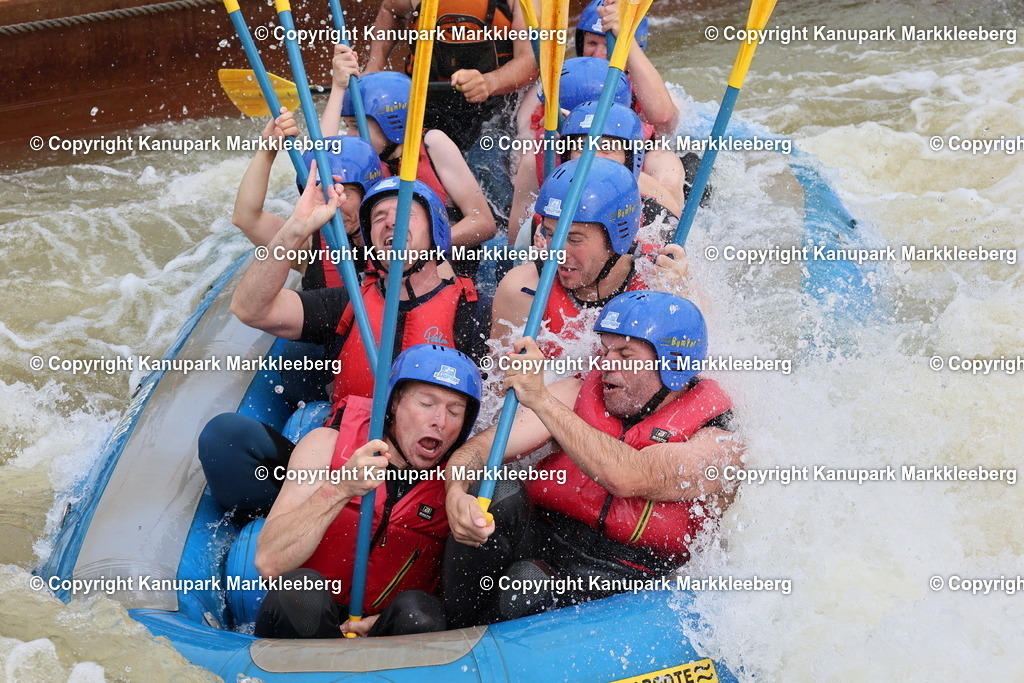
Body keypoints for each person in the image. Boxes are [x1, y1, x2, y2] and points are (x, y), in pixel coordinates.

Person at [443, 291, 743, 627]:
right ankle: (457, 629)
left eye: (625, 355)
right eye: (605, 351)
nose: (606, 365)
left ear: (673, 365)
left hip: (626, 583)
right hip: (547, 544)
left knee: (527, 585)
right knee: (495, 493)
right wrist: (455, 491)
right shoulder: (574, 394)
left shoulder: (717, 443)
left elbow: (629, 475)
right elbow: (477, 451)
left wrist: (540, 398)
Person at [199, 172, 488, 516]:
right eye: (379, 217)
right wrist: (296, 227)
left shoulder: (474, 312)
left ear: (436, 232)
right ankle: (284, 531)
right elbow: (249, 308)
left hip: (424, 491)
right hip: (340, 472)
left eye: (405, 213)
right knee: (225, 437)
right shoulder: (348, 302)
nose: (390, 222)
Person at [254, 343, 482, 638]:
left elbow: (457, 600)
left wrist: (379, 625)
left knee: (421, 614)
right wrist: (339, 488)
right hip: (307, 621)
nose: (439, 421)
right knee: (299, 592)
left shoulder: (459, 484)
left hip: (384, 630)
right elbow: (269, 562)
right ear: (395, 403)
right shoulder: (325, 446)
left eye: (455, 411)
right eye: (426, 404)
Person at [491, 157, 696, 352]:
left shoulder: (660, 280)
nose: (558, 253)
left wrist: (682, 303)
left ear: (616, 239)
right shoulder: (522, 290)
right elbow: (499, 386)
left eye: (574, 239)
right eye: (552, 234)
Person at [320, 63, 496, 257]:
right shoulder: (364, 161)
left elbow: (484, 223)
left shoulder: (434, 144)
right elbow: (319, 156)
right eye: (347, 126)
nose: (350, 136)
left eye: (355, 126)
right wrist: (337, 87)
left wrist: (423, 247)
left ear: (391, 122)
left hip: (441, 268)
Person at [231, 114, 383, 290]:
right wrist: (267, 150)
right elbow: (246, 218)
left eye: (343, 193)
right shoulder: (308, 245)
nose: (333, 205)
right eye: (322, 196)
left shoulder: (401, 238)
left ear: (368, 193)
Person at [362, 0, 537, 152]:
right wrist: (374, 66)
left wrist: (489, 82)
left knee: (486, 167)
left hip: (499, 106)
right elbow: (390, 10)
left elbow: (531, 60)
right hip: (428, 102)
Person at [509, 101, 682, 245]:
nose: (593, 158)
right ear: (567, 156)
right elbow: (513, 258)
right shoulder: (541, 223)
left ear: (630, 159)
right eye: (582, 147)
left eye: (607, 148)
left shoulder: (656, 219)